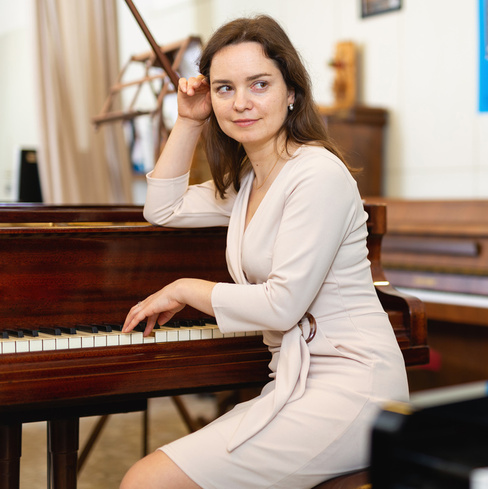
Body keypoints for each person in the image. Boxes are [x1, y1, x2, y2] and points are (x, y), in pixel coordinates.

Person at [119, 15, 409, 489]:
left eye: (259, 84)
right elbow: (162, 209)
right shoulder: (250, 182)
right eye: (224, 89)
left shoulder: (318, 174)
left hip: (352, 387)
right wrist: (189, 120)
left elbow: (282, 305)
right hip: (294, 383)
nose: (242, 103)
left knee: (146, 480)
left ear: (291, 91)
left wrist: (185, 288)